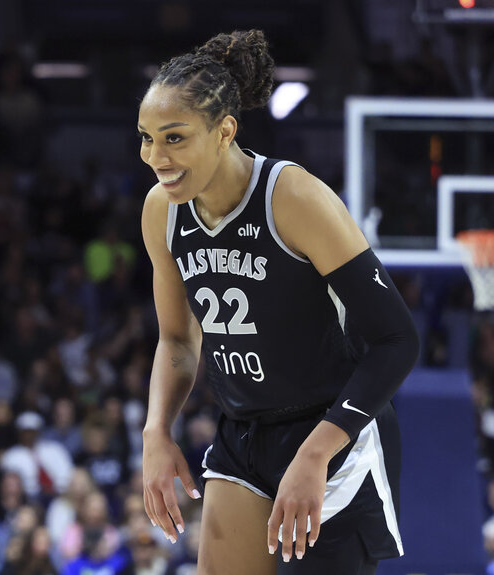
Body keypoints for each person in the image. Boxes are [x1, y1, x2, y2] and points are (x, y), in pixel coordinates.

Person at [138, 29, 419, 575]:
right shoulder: (161, 210)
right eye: (147, 138)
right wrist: (156, 430)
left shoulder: (292, 197)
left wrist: (317, 452)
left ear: (224, 131)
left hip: (333, 430)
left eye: (174, 138)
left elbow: (397, 339)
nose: (156, 157)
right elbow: (177, 340)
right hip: (242, 431)